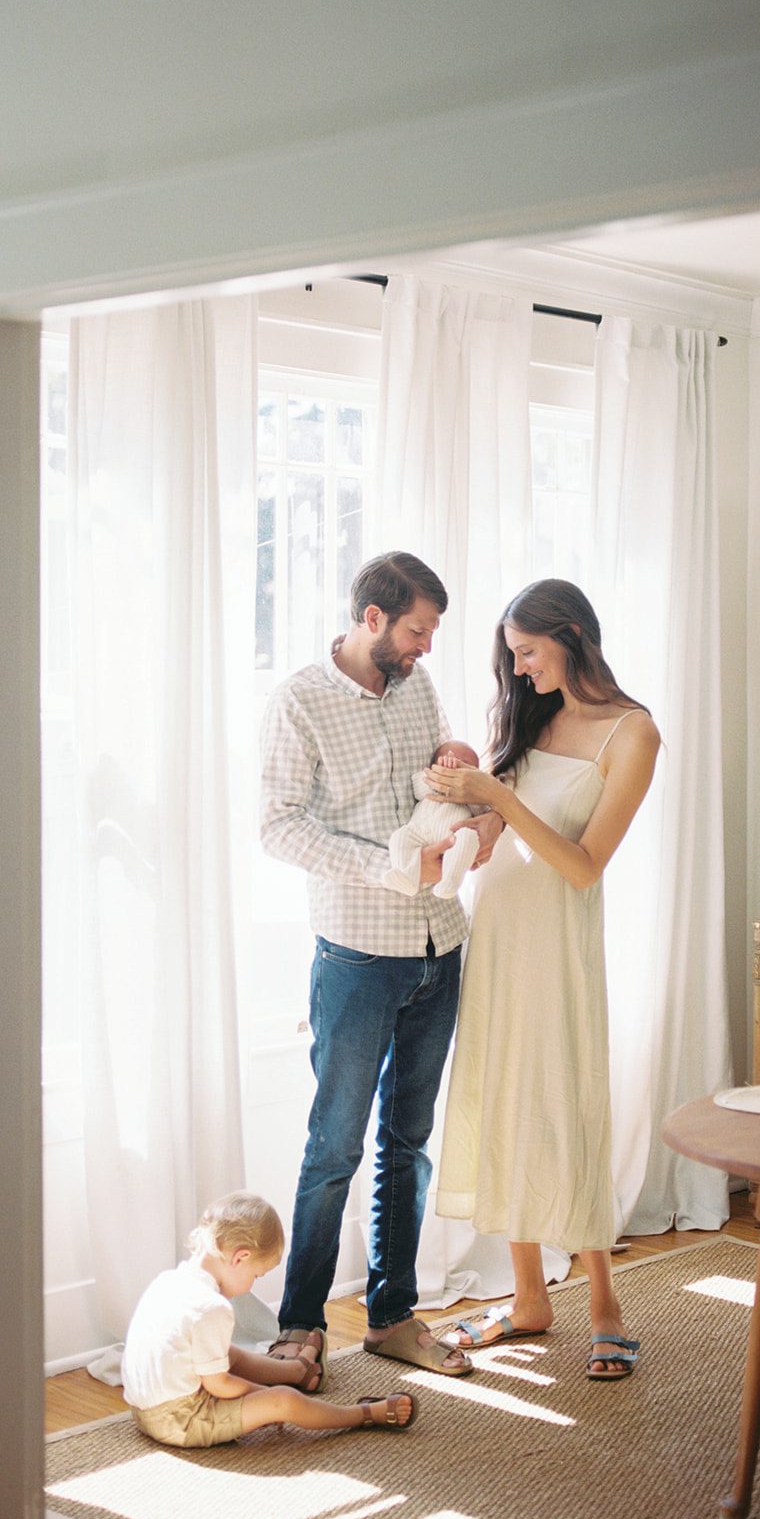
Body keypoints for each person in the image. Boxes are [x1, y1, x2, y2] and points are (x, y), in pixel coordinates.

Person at [260, 551, 497, 1378]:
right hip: (358, 954)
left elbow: (437, 779)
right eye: (417, 630)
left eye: (431, 632)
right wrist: (390, 868)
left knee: (410, 1140)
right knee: (334, 1147)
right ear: (371, 619)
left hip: (440, 947)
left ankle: (393, 1317)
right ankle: (300, 1325)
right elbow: (278, 827)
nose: (426, 647)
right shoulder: (299, 699)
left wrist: (468, 805)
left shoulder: (415, 687)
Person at [430, 578, 661, 1380]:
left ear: (568, 635)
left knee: (567, 1109)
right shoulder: (531, 715)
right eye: (512, 658)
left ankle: (604, 1304)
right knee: (503, 1104)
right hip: (495, 939)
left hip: (556, 949)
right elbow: (506, 830)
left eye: (526, 652)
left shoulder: (631, 733)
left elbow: (582, 866)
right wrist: (472, 818)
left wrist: (499, 795)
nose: (519, 671)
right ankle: (528, 1298)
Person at [120, 1191, 417, 1444]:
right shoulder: (212, 1307)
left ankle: (297, 1371)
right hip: (180, 1420)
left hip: (141, 1409)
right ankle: (364, 1414)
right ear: (241, 1257)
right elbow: (219, 1385)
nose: (253, 1284)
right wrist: (266, 1396)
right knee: (284, 1401)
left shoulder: (170, 1281)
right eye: (256, 1276)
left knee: (228, 1353)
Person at [384, 740, 483, 900]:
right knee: (399, 837)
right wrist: (440, 776)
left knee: (469, 838)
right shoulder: (426, 780)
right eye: (450, 759)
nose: (457, 765)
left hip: (452, 837)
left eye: (466, 764)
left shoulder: (473, 795)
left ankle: (450, 882)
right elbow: (418, 790)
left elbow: (480, 811)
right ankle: (407, 876)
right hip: (419, 833)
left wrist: (471, 790)